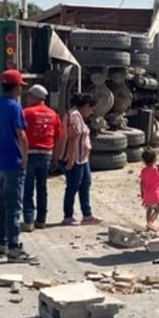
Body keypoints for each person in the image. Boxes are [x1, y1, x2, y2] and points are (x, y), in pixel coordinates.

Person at [0, 69, 36, 263]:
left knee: (3, 205)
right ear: (15, 88)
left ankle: (1, 244)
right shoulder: (14, 107)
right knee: (15, 206)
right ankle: (14, 248)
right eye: (20, 87)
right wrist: (24, 158)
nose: (21, 90)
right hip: (13, 163)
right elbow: (22, 135)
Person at [21, 84, 64, 232]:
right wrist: (56, 158)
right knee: (42, 188)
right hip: (46, 155)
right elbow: (58, 138)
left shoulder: (26, 113)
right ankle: (41, 220)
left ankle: (28, 220)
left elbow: (20, 135)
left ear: (34, 97)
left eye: (29, 95)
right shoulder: (53, 115)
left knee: (27, 188)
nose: (27, 98)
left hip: (29, 154)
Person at [60, 92, 102, 226]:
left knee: (85, 185)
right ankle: (68, 215)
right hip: (75, 159)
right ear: (86, 106)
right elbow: (72, 139)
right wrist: (71, 160)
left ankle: (87, 215)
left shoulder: (79, 116)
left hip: (83, 159)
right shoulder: (74, 116)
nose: (91, 112)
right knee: (73, 187)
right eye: (91, 108)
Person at [139, 148, 159, 232]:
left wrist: (142, 192)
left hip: (147, 194)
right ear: (155, 159)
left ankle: (148, 224)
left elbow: (142, 183)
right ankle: (150, 222)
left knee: (149, 210)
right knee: (157, 210)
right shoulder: (158, 170)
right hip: (156, 194)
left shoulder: (143, 171)